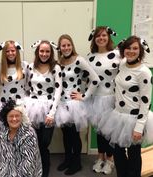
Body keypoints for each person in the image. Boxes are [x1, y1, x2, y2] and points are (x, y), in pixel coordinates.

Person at [98, 36, 153, 177]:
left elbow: (146, 102)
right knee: (118, 153)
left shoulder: (144, 72)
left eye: (135, 48)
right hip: (118, 115)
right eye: (128, 48)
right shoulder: (122, 64)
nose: (131, 51)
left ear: (141, 51)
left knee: (134, 155)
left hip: (134, 118)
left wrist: (139, 127)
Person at [56, 34, 100, 175]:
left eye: (68, 45)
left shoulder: (79, 60)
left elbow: (95, 79)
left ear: (72, 45)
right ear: (60, 47)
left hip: (75, 104)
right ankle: (68, 159)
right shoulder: (60, 62)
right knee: (66, 134)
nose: (66, 47)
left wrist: (85, 96)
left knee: (75, 136)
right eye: (63, 45)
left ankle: (77, 163)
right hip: (62, 103)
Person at [86, 26, 121, 174]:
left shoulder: (117, 55)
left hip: (111, 98)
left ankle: (109, 160)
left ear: (109, 37)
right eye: (98, 36)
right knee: (99, 131)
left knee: (110, 131)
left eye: (104, 35)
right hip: (96, 98)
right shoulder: (90, 57)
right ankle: (100, 158)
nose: (101, 38)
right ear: (94, 39)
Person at [25, 40, 62, 177]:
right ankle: (34, 170)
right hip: (32, 107)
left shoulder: (56, 68)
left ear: (51, 53)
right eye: (42, 51)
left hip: (48, 108)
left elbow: (58, 91)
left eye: (47, 51)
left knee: (45, 143)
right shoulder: (30, 67)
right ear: (37, 52)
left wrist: (51, 113)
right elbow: (27, 87)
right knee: (34, 141)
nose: (44, 54)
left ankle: (44, 171)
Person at [0, 99, 42, 177]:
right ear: (6, 118)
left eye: (17, 116)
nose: (14, 119)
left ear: (22, 117)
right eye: (11, 116)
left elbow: (29, 162)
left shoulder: (29, 134)